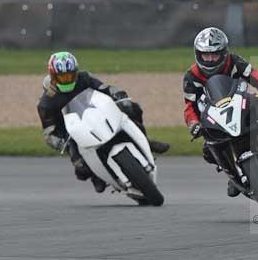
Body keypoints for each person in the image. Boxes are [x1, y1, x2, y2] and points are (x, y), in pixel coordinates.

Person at [37, 51, 169, 193]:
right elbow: (49, 133)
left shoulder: (84, 78)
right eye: (62, 77)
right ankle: (97, 176)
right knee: (81, 170)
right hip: (73, 132)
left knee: (132, 108)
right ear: (53, 77)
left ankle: (145, 141)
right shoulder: (46, 103)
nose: (67, 79)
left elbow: (104, 88)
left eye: (70, 75)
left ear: (76, 72)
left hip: (97, 113)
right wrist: (62, 142)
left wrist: (117, 94)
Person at [183, 27, 258, 196]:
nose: (210, 59)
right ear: (198, 55)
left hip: (240, 105)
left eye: (215, 54)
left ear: (224, 53)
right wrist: (194, 123)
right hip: (214, 117)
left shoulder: (233, 61)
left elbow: (254, 75)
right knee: (208, 151)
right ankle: (233, 174)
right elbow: (190, 106)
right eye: (206, 55)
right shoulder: (192, 75)